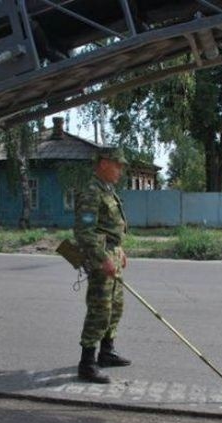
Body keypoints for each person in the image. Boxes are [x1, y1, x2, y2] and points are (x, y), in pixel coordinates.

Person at [74, 147, 131, 384]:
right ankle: (87, 364)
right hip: (101, 257)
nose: (120, 170)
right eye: (118, 165)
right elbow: (84, 232)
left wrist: (120, 250)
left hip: (112, 253)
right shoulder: (91, 192)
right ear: (105, 163)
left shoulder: (108, 190)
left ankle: (106, 352)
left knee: (115, 306)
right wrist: (102, 258)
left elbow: (111, 228)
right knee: (100, 310)